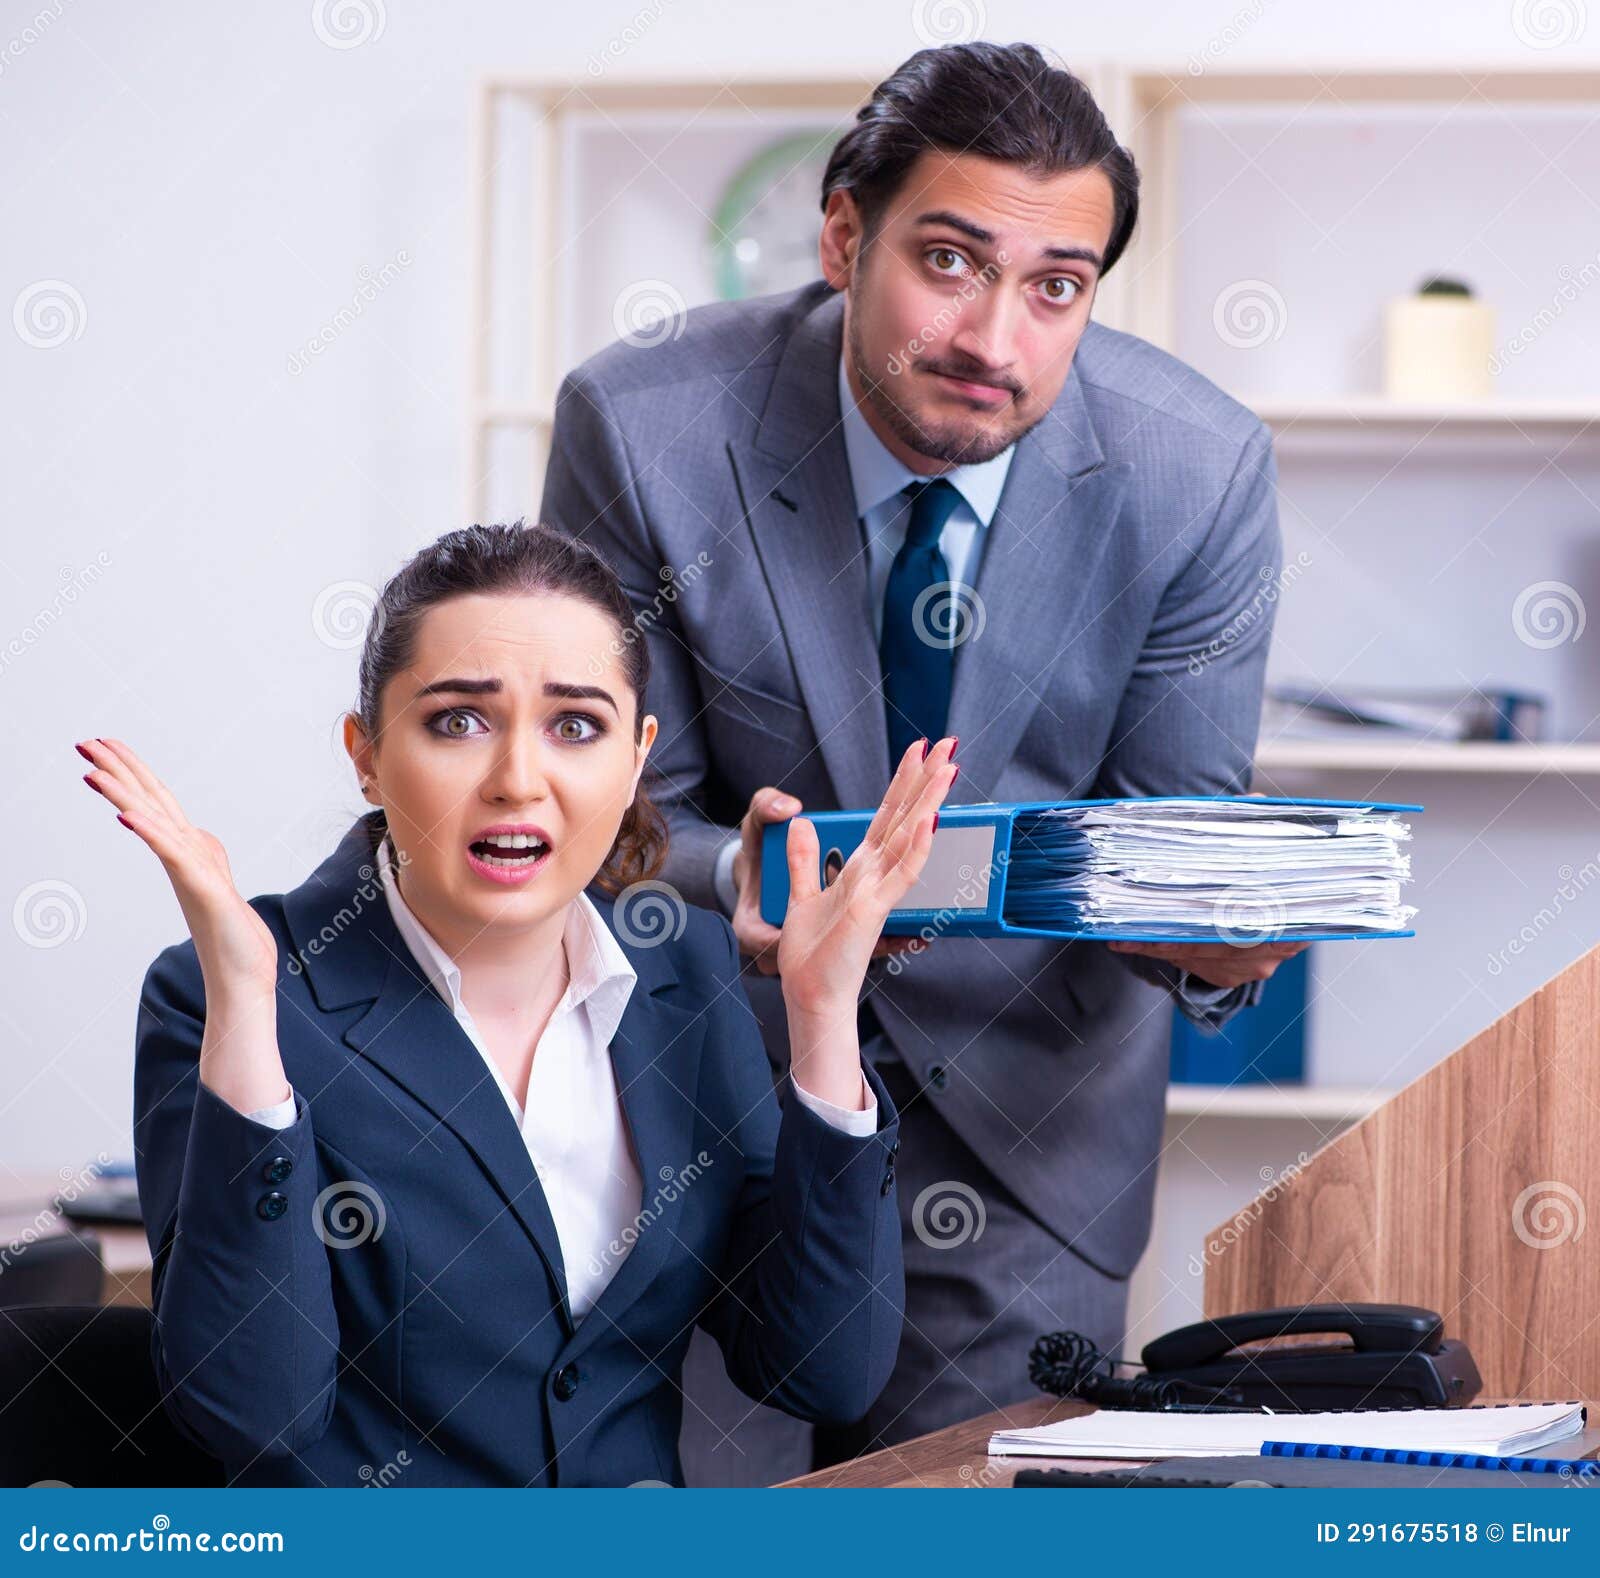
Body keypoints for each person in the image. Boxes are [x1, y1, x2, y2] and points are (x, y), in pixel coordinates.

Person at [539, 41, 1305, 1480]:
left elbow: (1172, 831)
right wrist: (759, 878)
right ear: (844, 233)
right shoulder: (643, 427)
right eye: (948, 261)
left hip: (1029, 1140)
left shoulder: (1198, 470)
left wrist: (1219, 936)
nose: (994, 340)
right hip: (705, 1114)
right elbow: (609, 810)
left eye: (1056, 286)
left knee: (968, 1528)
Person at [85, 522, 957, 1487]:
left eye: (575, 726)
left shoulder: (686, 975)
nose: (516, 781)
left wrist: (825, 1019)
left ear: (635, 760)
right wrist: (249, 1020)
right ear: (366, 754)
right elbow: (253, 1412)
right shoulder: (226, 990)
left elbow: (818, 1372)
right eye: (458, 721)